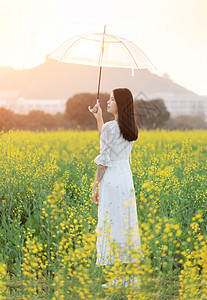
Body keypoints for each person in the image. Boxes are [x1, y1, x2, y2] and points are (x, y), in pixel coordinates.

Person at [89, 88, 144, 287]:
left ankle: (122, 279)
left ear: (120, 103)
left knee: (113, 225)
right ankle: (132, 278)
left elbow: (104, 159)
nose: (108, 102)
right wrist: (99, 118)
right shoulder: (130, 126)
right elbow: (108, 141)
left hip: (111, 179)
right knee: (126, 224)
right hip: (125, 178)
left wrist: (95, 186)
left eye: (112, 99)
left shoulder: (111, 128)